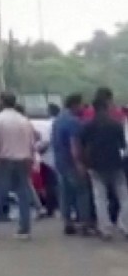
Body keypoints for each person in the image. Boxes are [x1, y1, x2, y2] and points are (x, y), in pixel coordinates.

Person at [0, 92, 36, 240]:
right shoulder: (24, 120)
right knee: (23, 196)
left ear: (2, 102)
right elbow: (31, 144)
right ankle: (24, 229)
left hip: (4, 161)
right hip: (23, 160)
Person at [78, 88, 128, 241]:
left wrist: (84, 163)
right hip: (115, 164)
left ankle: (105, 229)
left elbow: (82, 145)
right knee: (124, 196)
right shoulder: (116, 124)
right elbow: (122, 145)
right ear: (107, 106)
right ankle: (124, 223)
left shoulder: (87, 125)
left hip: (95, 165)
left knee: (100, 198)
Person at [52, 93, 92, 235]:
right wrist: (79, 163)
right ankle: (84, 224)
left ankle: (67, 222)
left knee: (65, 194)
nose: (83, 107)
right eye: (81, 104)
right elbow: (74, 144)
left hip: (60, 162)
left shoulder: (58, 119)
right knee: (82, 192)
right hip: (71, 162)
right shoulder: (73, 121)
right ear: (75, 104)